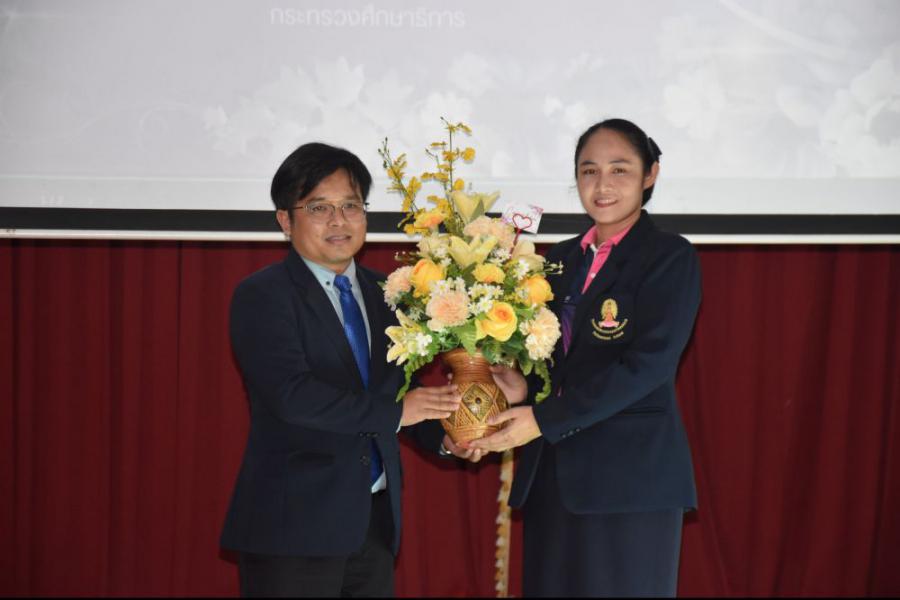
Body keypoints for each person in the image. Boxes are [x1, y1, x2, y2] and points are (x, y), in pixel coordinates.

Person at [467, 118, 702, 597]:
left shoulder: (669, 257)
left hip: (631, 482)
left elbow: (647, 367)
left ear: (650, 174)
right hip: (554, 478)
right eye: (589, 171)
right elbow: (558, 366)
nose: (602, 185)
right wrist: (523, 388)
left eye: (620, 170)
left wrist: (542, 418)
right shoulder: (559, 260)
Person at [220, 142, 463, 597]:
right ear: (285, 220)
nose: (339, 220)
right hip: (293, 530)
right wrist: (399, 412)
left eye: (351, 206)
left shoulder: (387, 293)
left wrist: (447, 437)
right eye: (319, 208)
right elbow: (293, 396)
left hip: (373, 524)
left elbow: (398, 390)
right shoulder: (263, 296)